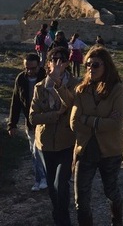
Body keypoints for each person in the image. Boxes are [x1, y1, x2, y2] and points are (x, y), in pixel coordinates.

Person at [70, 46, 123, 226]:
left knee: (111, 192)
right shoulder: (81, 90)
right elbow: (73, 122)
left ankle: (117, 222)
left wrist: (88, 120)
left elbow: (117, 123)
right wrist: (102, 122)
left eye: (95, 65)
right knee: (81, 200)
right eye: (87, 65)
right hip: (84, 150)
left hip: (109, 151)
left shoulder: (117, 89)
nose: (90, 69)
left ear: (106, 66)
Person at [29, 47, 78, 226]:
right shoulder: (39, 87)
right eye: (54, 59)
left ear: (67, 63)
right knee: (52, 187)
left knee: (61, 184)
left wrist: (59, 85)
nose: (57, 63)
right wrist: (54, 115)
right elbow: (33, 117)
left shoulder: (75, 84)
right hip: (45, 144)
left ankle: (63, 220)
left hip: (67, 143)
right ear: (47, 63)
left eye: (61, 59)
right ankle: (59, 217)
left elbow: (73, 104)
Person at [7, 53, 47, 192]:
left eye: (33, 68)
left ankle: (46, 178)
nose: (30, 71)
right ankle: (40, 179)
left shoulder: (47, 77)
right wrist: (12, 124)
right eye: (27, 68)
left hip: (46, 123)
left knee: (43, 151)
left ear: (39, 65)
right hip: (30, 123)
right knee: (35, 151)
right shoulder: (21, 79)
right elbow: (16, 102)